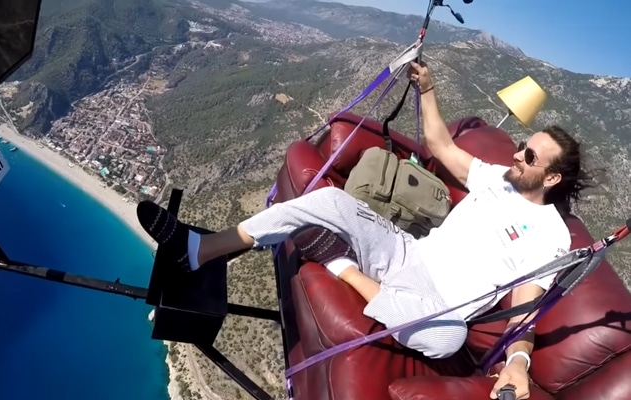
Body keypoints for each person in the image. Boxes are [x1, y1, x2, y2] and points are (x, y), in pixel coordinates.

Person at [136, 61, 592, 400]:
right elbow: (439, 145)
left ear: (552, 179)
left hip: (437, 305)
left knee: (446, 338)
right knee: (331, 200)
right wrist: (428, 90)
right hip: (405, 253)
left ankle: (339, 264)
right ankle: (199, 249)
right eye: (520, 147)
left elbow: (523, 311)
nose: (517, 157)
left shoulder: (549, 236)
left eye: (530, 157)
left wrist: (518, 363)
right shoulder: (497, 176)